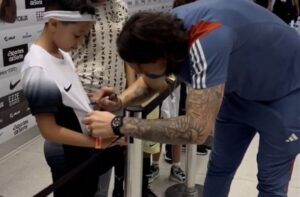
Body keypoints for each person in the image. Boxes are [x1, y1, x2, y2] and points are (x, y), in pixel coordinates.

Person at [83, 0, 300, 196]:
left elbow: (197, 129)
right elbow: (152, 77)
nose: (140, 74)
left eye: (143, 68)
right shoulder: (162, 32)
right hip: (237, 93)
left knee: (271, 183)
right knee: (219, 168)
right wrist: (120, 101)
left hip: (286, 92)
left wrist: (119, 124)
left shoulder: (206, 40)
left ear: (163, 55)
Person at [21, 0, 125, 196]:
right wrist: (97, 143)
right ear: (53, 24)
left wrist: (94, 102)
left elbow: (67, 100)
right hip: (67, 154)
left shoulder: (61, 54)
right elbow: (49, 130)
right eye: (77, 35)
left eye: (83, 37)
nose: (78, 44)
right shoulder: (38, 68)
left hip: (82, 151)